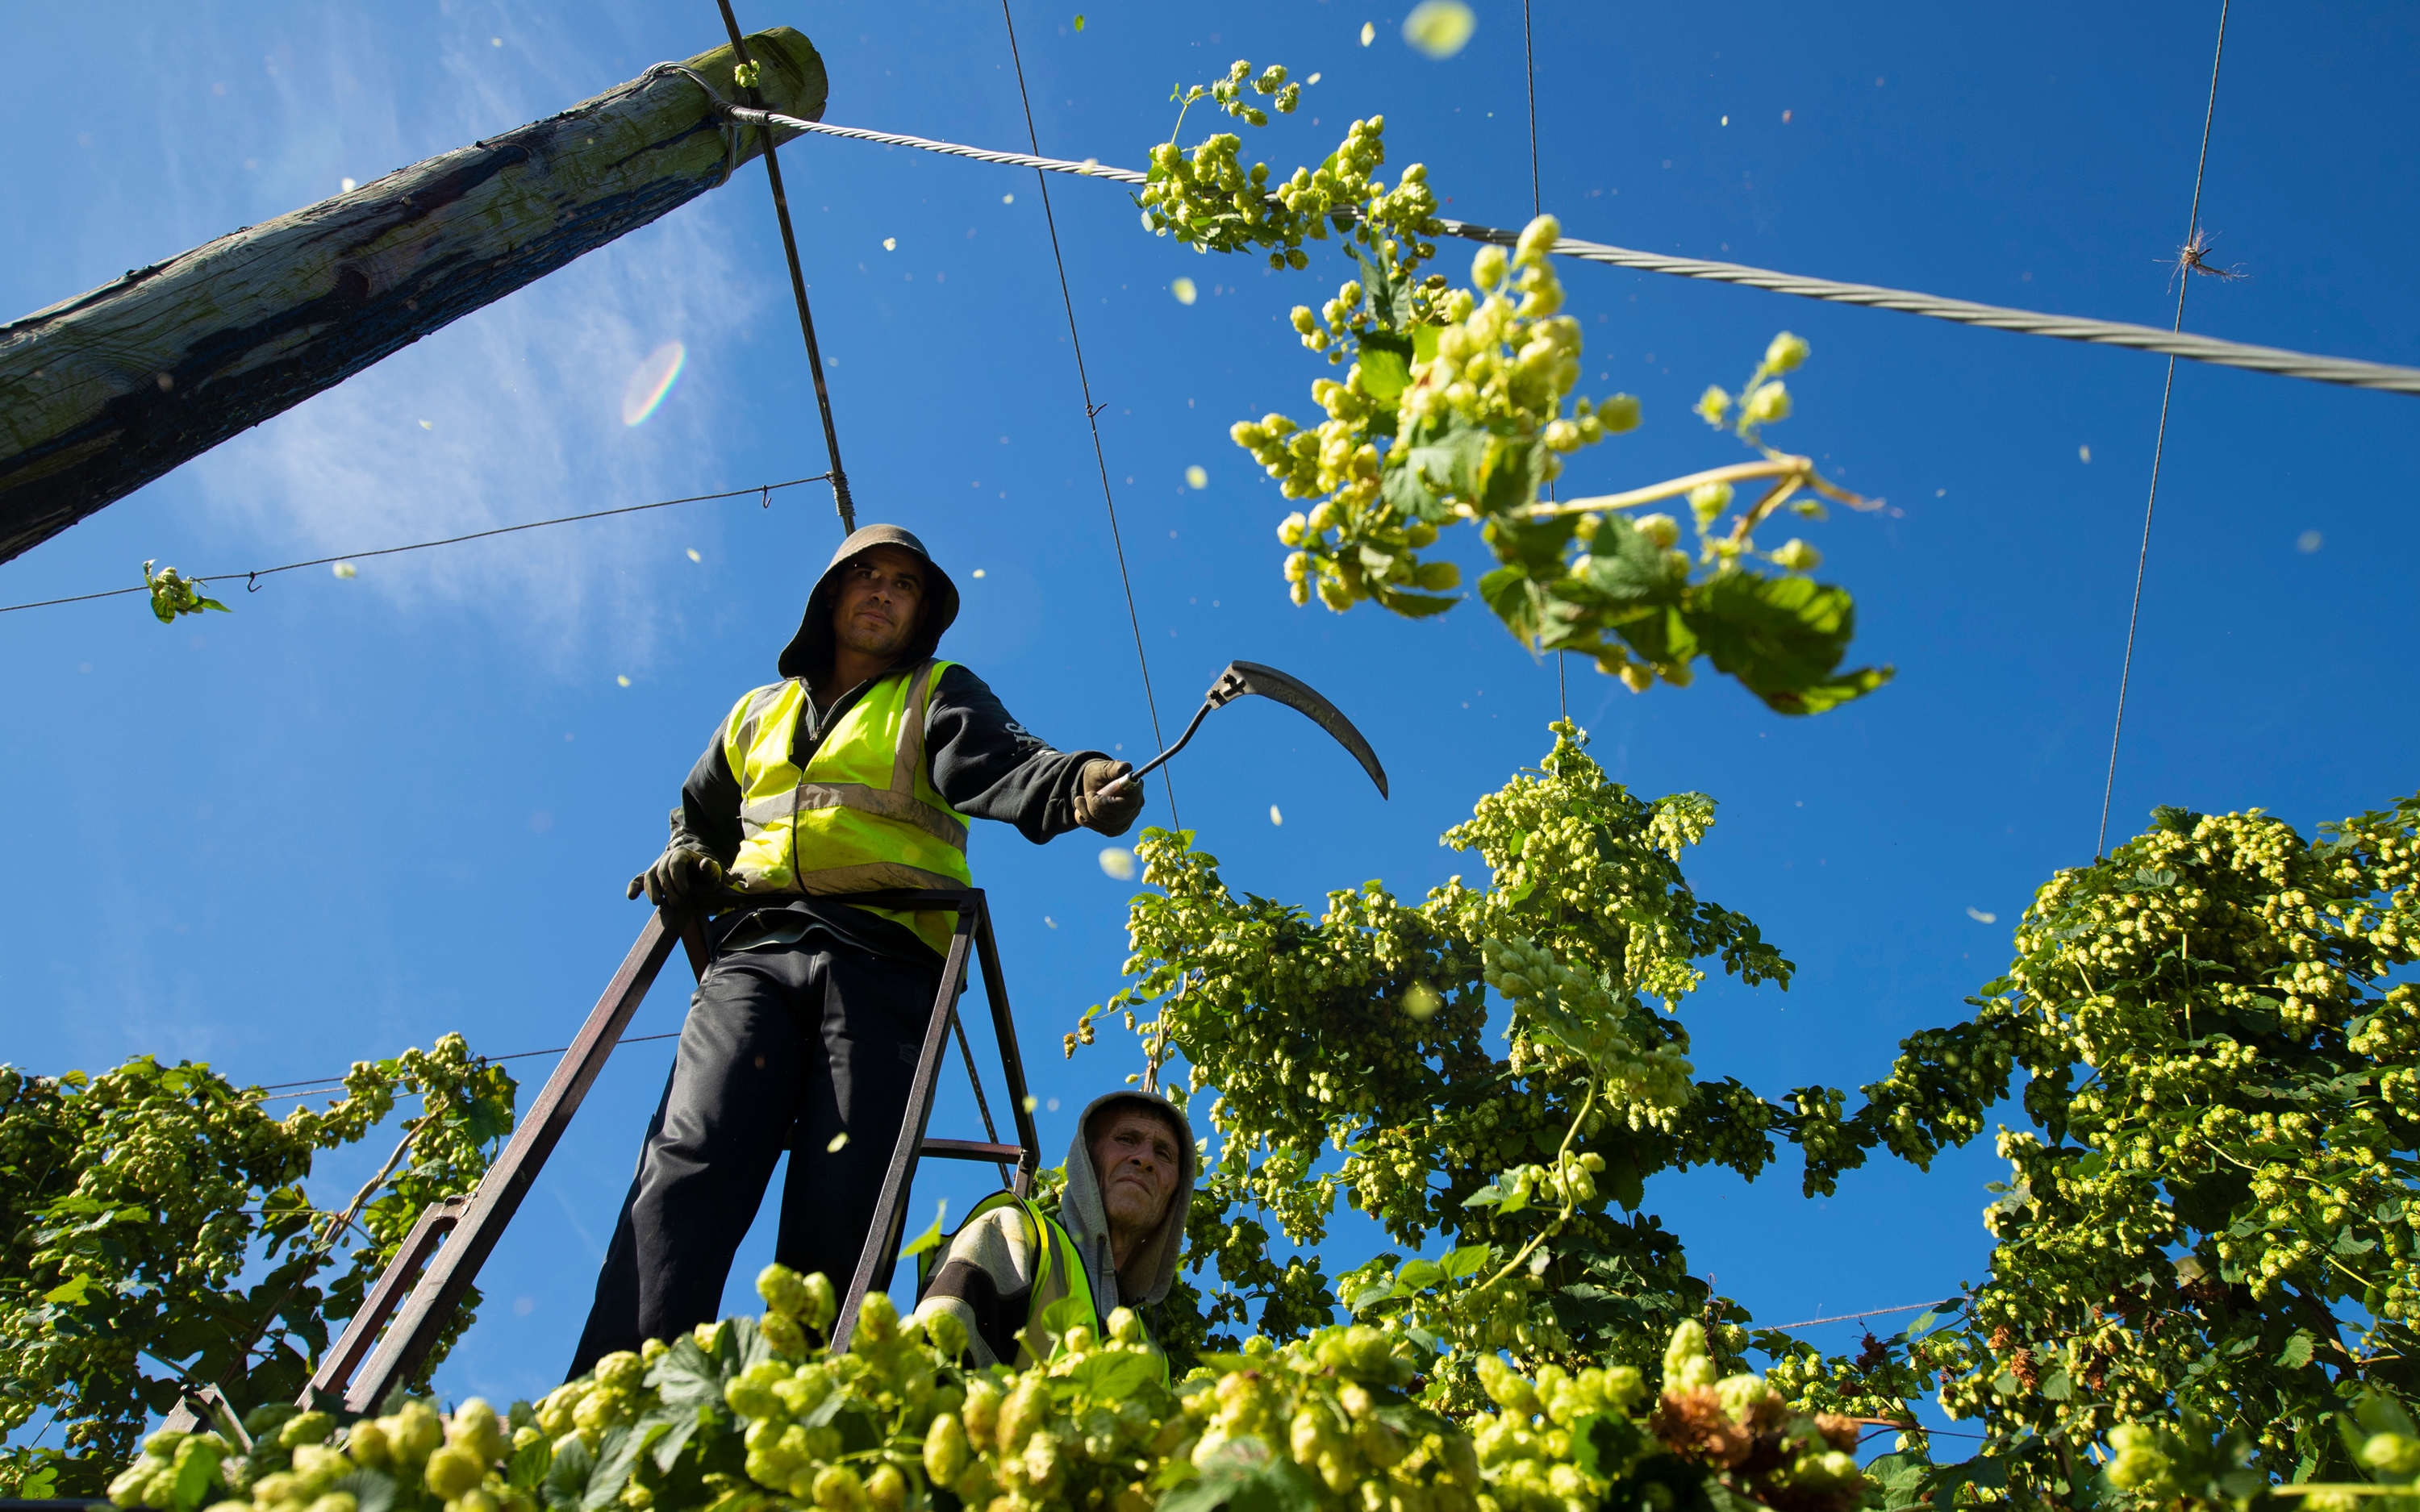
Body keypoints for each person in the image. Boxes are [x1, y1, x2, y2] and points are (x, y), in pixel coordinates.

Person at [569, 524, 1145, 1374]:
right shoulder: (754, 715)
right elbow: (699, 818)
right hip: (756, 952)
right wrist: (687, 858)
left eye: (903, 585)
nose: (881, 592)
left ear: (922, 614)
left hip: (888, 960)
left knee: (848, 1190)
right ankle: (621, 1383)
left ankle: (805, 1400)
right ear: (831, 597)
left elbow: (1003, 763)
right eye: (865, 576)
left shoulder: (935, 694)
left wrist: (1080, 785)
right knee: (691, 1159)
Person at [912, 1092, 1194, 1369]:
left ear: (1176, 1196)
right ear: (1086, 1159)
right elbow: (928, 1374)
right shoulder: (1012, 1234)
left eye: (1164, 1154)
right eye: (1126, 1139)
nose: (1144, 1158)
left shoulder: (1152, 1360)